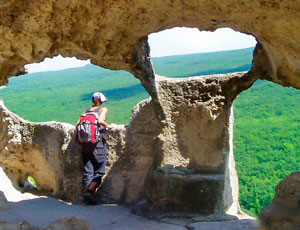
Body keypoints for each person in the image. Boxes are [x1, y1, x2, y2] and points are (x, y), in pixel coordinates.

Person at [79, 92, 116, 205]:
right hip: (98, 143)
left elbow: (78, 124)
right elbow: (100, 121)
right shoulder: (102, 109)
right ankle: (90, 192)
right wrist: (109, 126)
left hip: (85, 143)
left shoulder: (86, 111)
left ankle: (86, 194)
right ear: (101, 101)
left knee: (88, 170)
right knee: (100, 171)